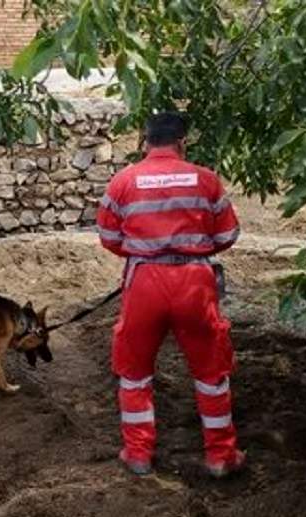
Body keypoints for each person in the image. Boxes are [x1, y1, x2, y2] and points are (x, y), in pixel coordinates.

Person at [95, 111, 245, 477]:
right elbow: (227, 235)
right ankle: (221, 457)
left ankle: (139, 453)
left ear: (145, 141)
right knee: (211, 372)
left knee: (134, 371)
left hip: (144, 281)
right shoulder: (206, 180)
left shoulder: (122, 181)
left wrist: (147, 251)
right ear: (183, 141)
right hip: (195, 282)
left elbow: (109, 238)